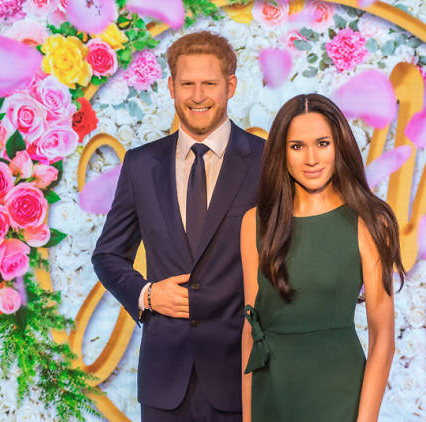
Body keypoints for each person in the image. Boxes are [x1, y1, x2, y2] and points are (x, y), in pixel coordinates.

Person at [92, 31, 265, 421]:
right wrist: (146, 294)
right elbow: (107, 255)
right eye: (187, 83)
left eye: (209, 84)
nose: (198, 95)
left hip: (242, 376)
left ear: (231, 86)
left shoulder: (265, 162)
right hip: (163, 380)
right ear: (171, 87)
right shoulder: (140, 165)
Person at [240, 93, 405, 421]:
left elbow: (382, 336)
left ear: (339, 146)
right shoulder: (253, 223)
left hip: (338, 396)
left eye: (322, 143)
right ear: (282, 154)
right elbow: (250, 331)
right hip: (270, 395)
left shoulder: (370, 222)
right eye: (297, 146)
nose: (311, 158)